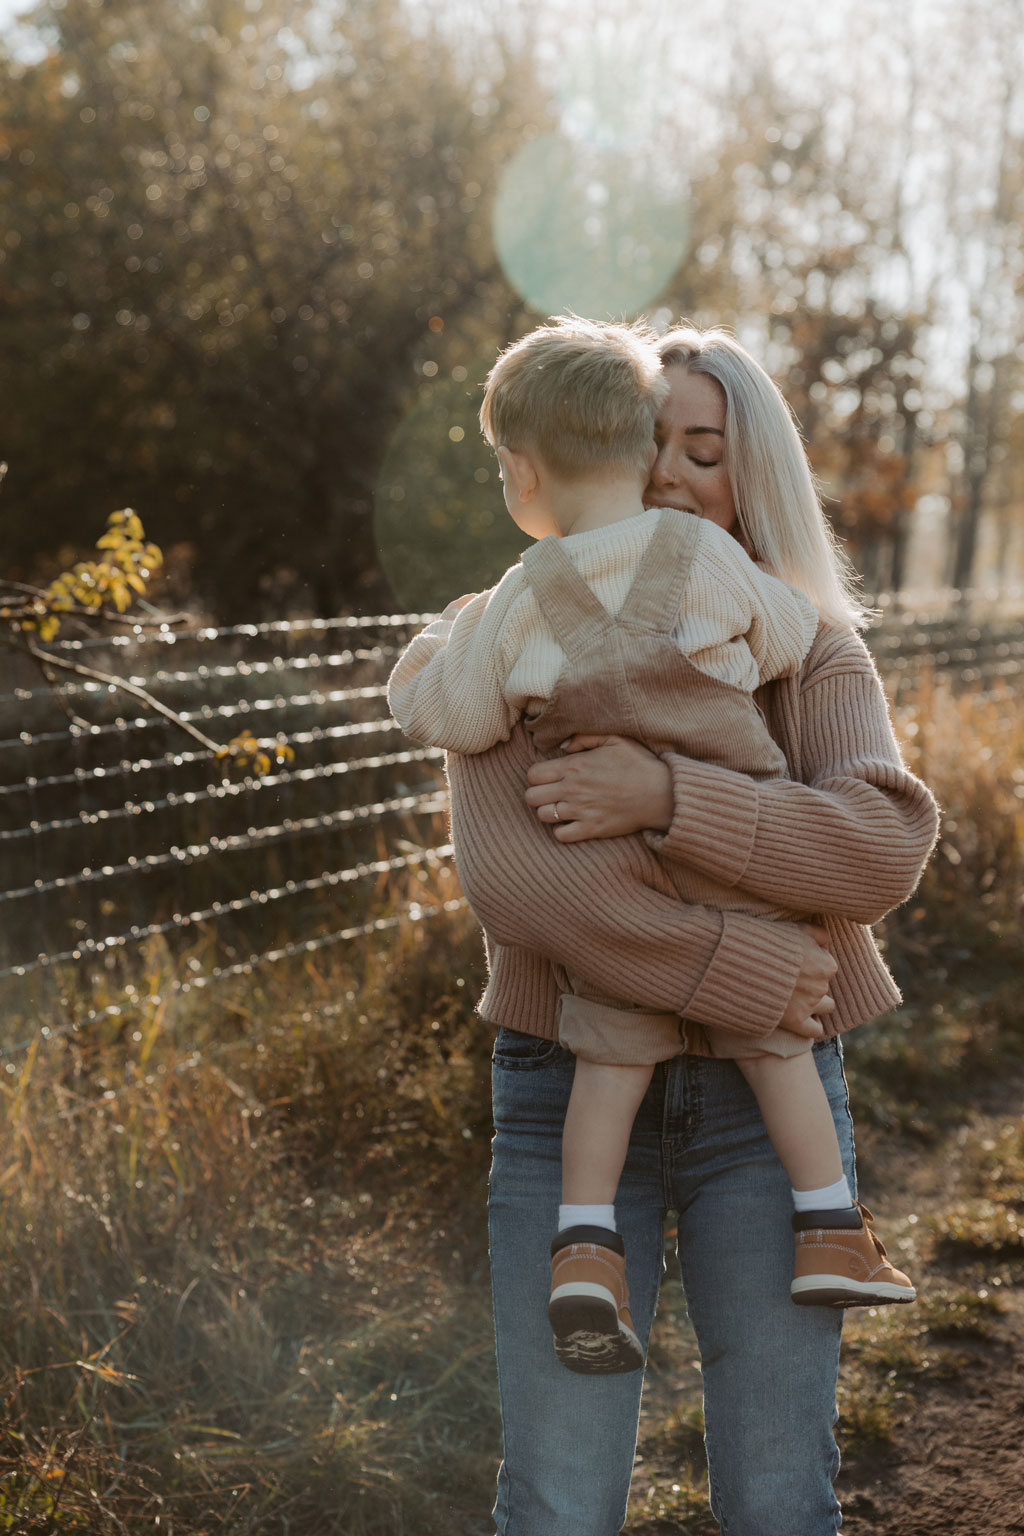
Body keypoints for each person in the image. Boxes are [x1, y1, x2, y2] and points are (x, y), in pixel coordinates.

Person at [440, 324, 940, 1536]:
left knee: (778, 1499)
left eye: (703, 450)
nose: (667, 474)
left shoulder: (806, 645)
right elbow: (520, 886)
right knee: (558, 1501)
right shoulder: (522, 630)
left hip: (766, 1129)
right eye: (646, 441)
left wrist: (670, 799)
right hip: (567, 1096)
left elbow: (878, 845)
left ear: (750, 472)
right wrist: (746, 963)